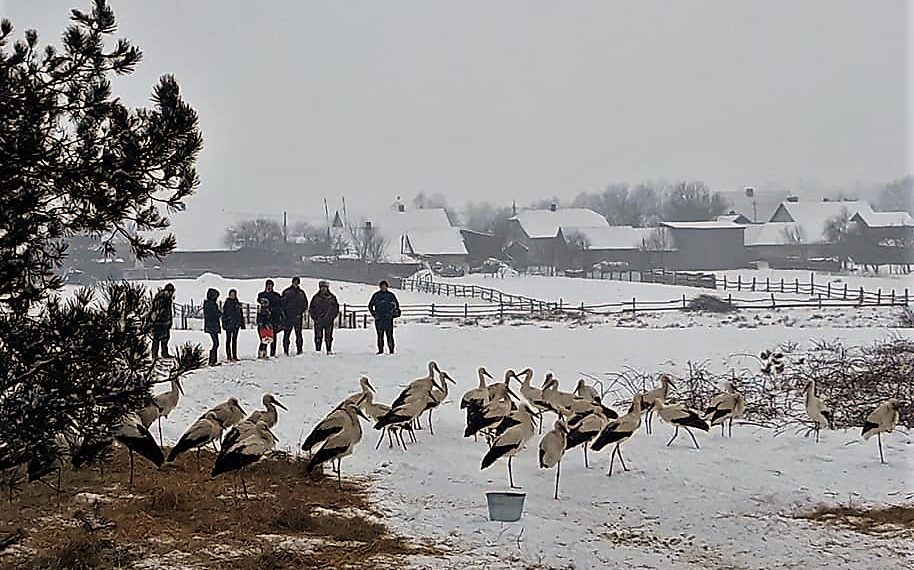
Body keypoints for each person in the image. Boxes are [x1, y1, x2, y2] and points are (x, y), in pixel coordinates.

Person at [368, 280, 400, 355]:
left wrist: (394, 313)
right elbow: (370, 305)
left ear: (387, 286)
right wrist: (374, 314)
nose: (383, 287)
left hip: (388, 319)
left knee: (389, 335)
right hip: (379, 318)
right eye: (382, 286)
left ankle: (391, 350)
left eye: (384, 286)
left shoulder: (391, 295)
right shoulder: (376, 295)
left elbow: (397, 306)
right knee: (380, 335)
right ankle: (380, 350)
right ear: (380, 287)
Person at [309, 280, 340, 354]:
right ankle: (318, 350)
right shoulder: (315, 297)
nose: (323, 289)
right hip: (318, 321)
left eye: (325, 287)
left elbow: (336, 308)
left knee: (329, 337)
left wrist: (332, 317)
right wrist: (315, 318)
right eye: (322, 287)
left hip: (329, 321)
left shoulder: (332, 297)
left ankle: (329, 349)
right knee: (318, 336)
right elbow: (311, 308)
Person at [280, 277, 308, 355]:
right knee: (286, 335)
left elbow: (305, 304)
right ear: (292, 282)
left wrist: (300, 312)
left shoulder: (301, 293)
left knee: (298, 335)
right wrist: (284, 314)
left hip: (298, 317)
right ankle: (285, 351)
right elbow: (282, 304)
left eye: (297, 282)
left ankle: (299, 350)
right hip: (288, 317)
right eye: (294, 282)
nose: (296, 284)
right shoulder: (287, 292)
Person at [148, 283, 175, 359]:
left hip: (158, 321)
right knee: (162, 338)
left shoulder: (159, 296)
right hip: (162, 322)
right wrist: (168, 321)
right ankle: (160, 354)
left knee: (159, 338)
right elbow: (165, 311)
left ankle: (156, 354)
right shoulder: (165, 298)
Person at [257, 279, 283, 357]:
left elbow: (279, 308)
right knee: (264, 337)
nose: (269, 287)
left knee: (273, 337)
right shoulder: (261, 295)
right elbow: (259, 305)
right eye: (268, 285)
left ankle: (272, 353)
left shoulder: (276, 296)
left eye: (270, 285)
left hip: (273, 319)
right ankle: (262, 353)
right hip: (264, 319)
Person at [221, 288, 245, 362]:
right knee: (228, 340)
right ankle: (229, 356)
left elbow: (240, 314)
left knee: (234, 340)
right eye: (231, 295)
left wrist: (242, 323)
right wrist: (224, 323)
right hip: (229, 324)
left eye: (233, 295)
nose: (232, 296)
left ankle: (234, 355)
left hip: (236, 324)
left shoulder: (237, 303)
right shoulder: (227, 303)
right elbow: (224, 314)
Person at [202, 288, 222, 366]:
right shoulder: (210, 304)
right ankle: (212, 360)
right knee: (216, 343)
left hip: (212, 325)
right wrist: (218, 313)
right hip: (212, 325)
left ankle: (213, 359)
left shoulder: (209, 304)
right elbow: (214, 314)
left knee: (216, 343)